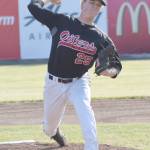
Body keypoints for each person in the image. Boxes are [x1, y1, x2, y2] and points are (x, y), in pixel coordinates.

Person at [28, 0, 121, 149]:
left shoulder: (102, 39)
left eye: (98, 5)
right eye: (92, 3)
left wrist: (109, 72)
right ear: (82, 4)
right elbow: (33, 7)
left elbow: (116, 66)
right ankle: (54, 132)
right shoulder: (62, 22)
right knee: (48, 128)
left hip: (79, 82)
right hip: (54, 83)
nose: (94, 7)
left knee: (84, 108)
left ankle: (92, 147)